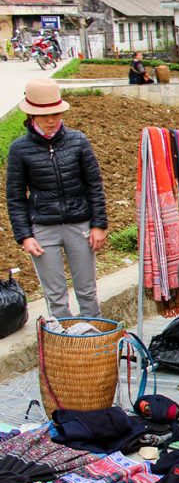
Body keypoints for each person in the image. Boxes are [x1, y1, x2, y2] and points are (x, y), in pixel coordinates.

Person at [6, 79, 107, 318]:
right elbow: (15, 196)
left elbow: (94, 185)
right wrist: (25, 236)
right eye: (44, 115)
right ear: (31, 116)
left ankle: (94, 343)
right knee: (55, 295)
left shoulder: (78, 141)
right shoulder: (19, 149)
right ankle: (63, 346)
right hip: (43, 228)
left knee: (87, 290)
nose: (51, 120)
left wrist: (98, 225)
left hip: (79, 224)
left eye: (56, 114)